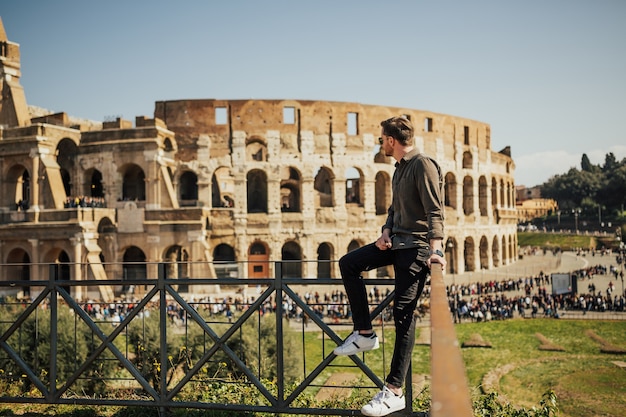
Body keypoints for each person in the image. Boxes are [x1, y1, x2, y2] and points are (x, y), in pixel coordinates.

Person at [333, 115, 446, 417]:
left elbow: (435, 209)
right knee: (349, 263)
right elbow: (395, 209)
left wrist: (436, 250)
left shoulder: (423, 164)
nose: (380, 143)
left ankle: (394, 391)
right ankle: (365, 333)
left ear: (392, 140)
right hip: (396, 242)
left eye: (382, 138)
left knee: (403, 313)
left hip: (417, 248)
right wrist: (385, 230)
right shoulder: (399, 169)